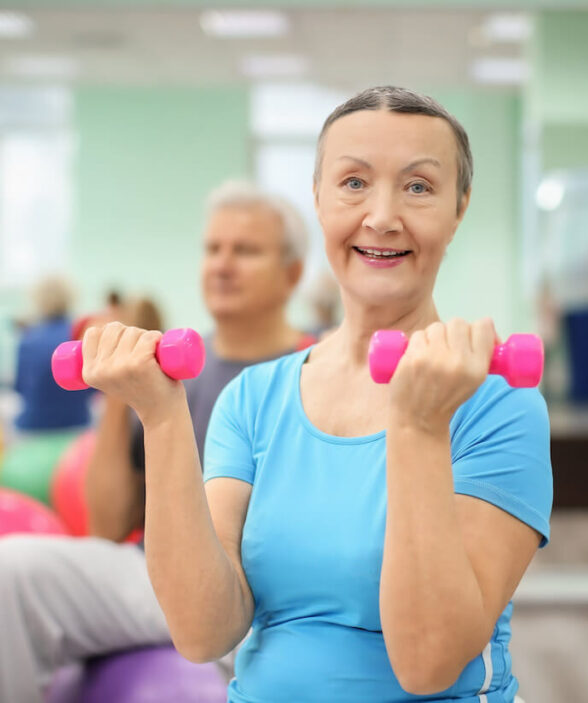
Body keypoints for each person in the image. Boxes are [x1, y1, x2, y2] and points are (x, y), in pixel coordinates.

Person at [84, 87, 552, 702]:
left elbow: (428, 662)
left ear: (458, 208)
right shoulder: (253, 399)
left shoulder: (499, 406)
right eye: (353, 182)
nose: (381, 216)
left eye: (418, 187)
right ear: (319, 200)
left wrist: (416, 425)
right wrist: (163, 415)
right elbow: (204, 632)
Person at [0, 181, 313, 703]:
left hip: (261, 596)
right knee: (6, 567)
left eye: (245, 250)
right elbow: (106, 527)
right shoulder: (173, 367)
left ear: (291, 274)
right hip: (159, 575)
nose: (221, 264)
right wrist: (115, 391)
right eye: (213, 248)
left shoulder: (315, 372)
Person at [13, 275, 92, 432]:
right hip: (77, 426)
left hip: (34, 428)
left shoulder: (28, 340)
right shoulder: (83, 337)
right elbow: (94, 386)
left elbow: (19, 387)